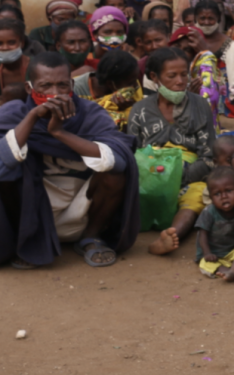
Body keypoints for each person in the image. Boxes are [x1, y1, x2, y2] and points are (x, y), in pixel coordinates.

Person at [0, 53, 140, 268]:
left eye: (62, 85)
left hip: (82, 205)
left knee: (116, 174)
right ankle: (28, 241)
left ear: (72, 85)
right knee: (9, 173)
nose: (55, 94)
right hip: (33, 206)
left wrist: (59, 133)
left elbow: (118, 160)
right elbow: (3, 163)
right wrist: (32, 117)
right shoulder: (14, 113)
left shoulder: (90, 113)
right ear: (29, 88)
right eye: (45, 86)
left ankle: (91, 237)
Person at [130, 48, 217, 255]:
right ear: (154, 77)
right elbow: (134, 153)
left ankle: (169, 236)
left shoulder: (199, 105)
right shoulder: (140, 110)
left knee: (196, 198)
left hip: (188, 174)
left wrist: (179, 175)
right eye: (172, 76)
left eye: (184, 74)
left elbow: (209, 156)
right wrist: (155, 176)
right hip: (150, 172)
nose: (180, 81)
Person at [194, 165, 234, 278]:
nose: (224, 196)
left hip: (232, 252)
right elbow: (202, 234)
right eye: (217, 194)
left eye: (229, 191)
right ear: (211, 197)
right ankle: (232, 273)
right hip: (213, 254)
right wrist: (207, 253)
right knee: (205, 264)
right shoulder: (209, 212)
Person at [169, 25, 225, 126]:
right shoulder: (160, 70)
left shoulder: (199, 75)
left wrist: (205, 53)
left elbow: (209, 99)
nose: (180, 52)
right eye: (177, 46)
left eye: (188, 50)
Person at [76, 49, 142, 128]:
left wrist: (131, 107)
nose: (136, 85)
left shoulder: (132, 84)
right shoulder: (76, 91)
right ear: (110, 83)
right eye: (131, 83)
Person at [0, 18, 31, 105]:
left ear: (22, 43)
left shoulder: (36, 67)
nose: (5, 48)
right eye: (0, 43)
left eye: (11, 42)